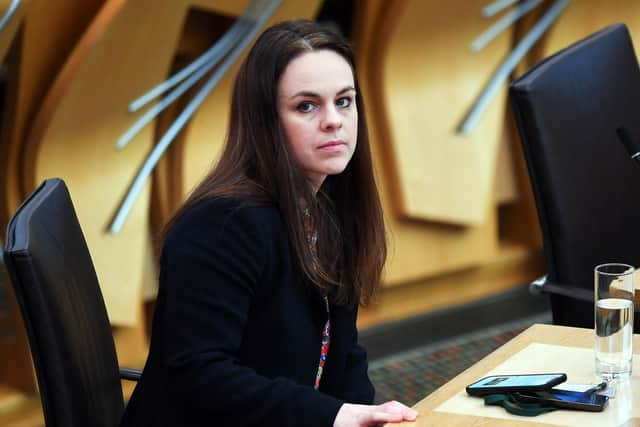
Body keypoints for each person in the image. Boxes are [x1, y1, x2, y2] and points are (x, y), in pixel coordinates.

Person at [120, 19, 418, 427]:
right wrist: (336, 416)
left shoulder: (329, 208)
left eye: (344, 101)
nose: (334, 120)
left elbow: (343, 355)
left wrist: (366, 417)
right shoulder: (221, 225)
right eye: (306, 106)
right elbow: (200, 375)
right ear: (266, 121)